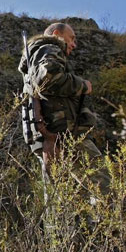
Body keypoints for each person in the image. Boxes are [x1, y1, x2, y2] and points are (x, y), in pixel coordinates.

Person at [18, 23, 110, 196]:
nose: (74, 44)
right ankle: (114, 221)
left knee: (63, 198)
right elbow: (49, 78)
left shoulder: (35, 56)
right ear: (56, 34)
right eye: (72, 38)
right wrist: (83, 85)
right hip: (63, 134)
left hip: (49, 135)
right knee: (104, 188)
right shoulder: (50, 47)